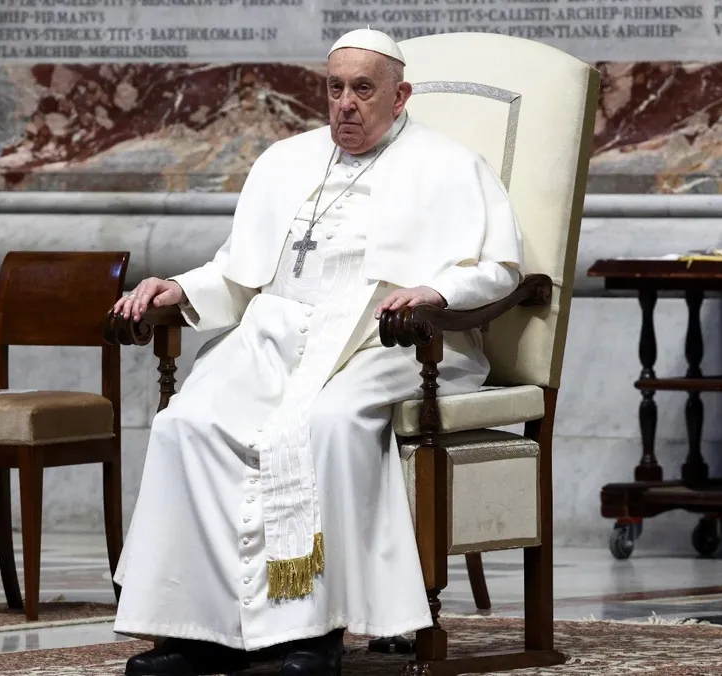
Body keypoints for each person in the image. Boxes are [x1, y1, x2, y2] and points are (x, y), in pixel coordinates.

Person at [111, 28, 524, 676]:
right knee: (186, 424)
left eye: (363, 89)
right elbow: (239, 271)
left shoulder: (449, 165)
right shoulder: (285, 162)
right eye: (335, 88)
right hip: (277, 334)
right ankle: (201, 632)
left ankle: (313, 633)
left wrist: (436, 291)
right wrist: (180, 288)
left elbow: (499, 270)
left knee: (327, 424)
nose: (345, 104)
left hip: (388, 338)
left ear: (400, 95)